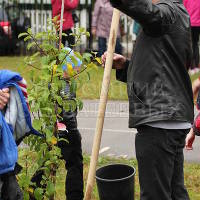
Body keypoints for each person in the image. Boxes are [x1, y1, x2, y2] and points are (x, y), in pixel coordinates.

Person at [102, 0, 194, 199]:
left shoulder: (167, 13)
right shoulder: (177, 15)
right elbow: (162, 70)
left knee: (155, 194)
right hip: (169, 118)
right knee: (175, 192)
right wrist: (126, 66)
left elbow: (143, 9)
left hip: (160, 121)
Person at [31, 48, 84, 200]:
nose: (77, 72)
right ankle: (75, 196)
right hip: (66, 131)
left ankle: (31, 192)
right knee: (75, 164)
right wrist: (74, 132)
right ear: (66, 67)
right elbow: (67, 113)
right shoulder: (64, 86)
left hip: (51, 131)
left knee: (47, 165)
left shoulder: (52, 81)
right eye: (75, 68)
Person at [183, 0, 200, 74]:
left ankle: (192, 67)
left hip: (189, 23)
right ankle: (196, 66)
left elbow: (183, 9)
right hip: (197, 24)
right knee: (195, 44)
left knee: (191, 44)